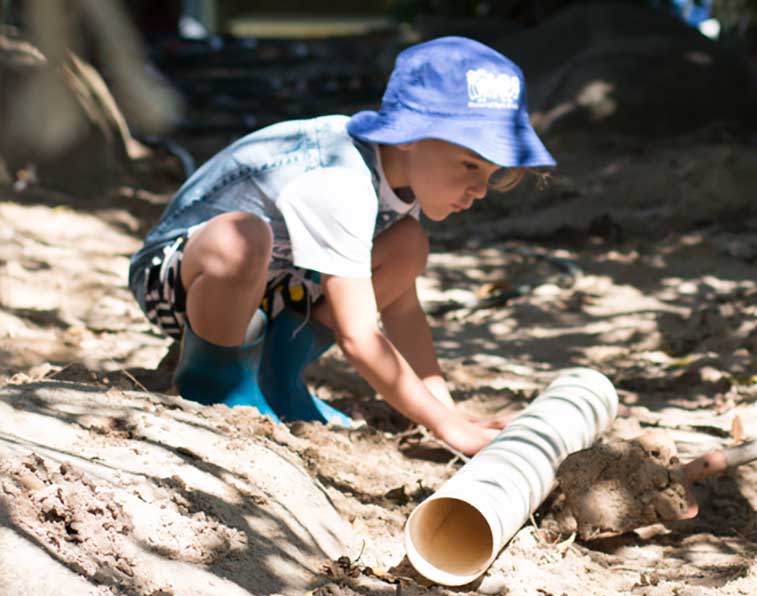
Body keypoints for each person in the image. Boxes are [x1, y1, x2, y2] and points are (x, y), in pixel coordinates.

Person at [127, 37, 555, 455]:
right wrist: (448, 430)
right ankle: (215, 381)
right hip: (180, 281)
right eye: (469, 165)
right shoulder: (341, 179)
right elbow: (359, 336)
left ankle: (277, 376)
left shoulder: (402, 183)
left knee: (407, 245)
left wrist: (449, 413)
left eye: (492, 173)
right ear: (409, 135)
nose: (480, 189)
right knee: (243, 237)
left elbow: (402, 311)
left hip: (274, 292)